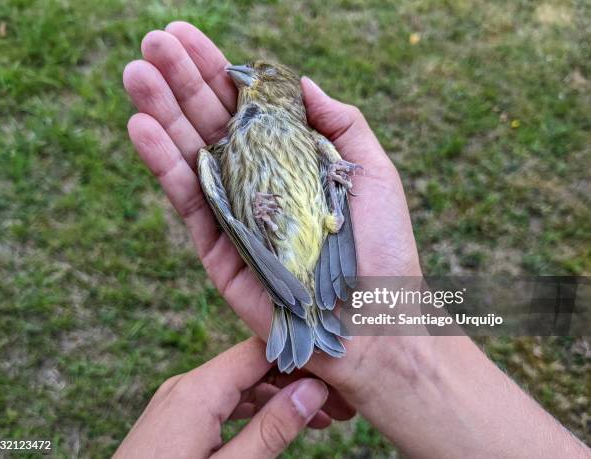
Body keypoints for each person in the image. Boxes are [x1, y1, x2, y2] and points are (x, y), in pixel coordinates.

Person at [118, 22, 589, 458]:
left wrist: (336, 176)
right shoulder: (221, 152)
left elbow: (337, 196)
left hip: (317, 249)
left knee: (319, 202)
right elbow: (227, 217)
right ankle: (298, 294)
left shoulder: (313, 139)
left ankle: (305, 303)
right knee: (236, 190)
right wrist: (256, 216)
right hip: (276, 246)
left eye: (261, 74)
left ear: (283, 87)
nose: (245, 77)